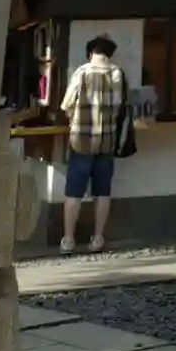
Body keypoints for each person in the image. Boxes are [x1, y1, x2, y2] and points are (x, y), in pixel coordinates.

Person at [59, 34, 127, 254]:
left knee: (74, 193)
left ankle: (68, 240)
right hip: (106, 142)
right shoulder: (117, 74)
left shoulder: (81, 72)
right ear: (110, 54)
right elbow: (118, 107)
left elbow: (66, 104)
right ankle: (97, 238)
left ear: (90, 53)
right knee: (102, 192)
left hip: (81, 141)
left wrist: (75, 117)